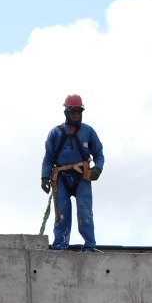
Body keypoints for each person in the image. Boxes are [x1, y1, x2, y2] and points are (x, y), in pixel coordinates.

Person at [40, 93, 105, 251]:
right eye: (72, 111)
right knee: (61, 214)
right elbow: (48, 157)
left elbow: (99, 153)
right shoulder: (55, 133)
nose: (75, 114)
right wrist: (45, 177)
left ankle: (89, 246)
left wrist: (97, 168)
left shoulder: (88, 132)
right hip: (61, 177)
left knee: (85, 212)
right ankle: (60, 247)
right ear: (66, 112)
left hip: (82, 176)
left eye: (78, 111)